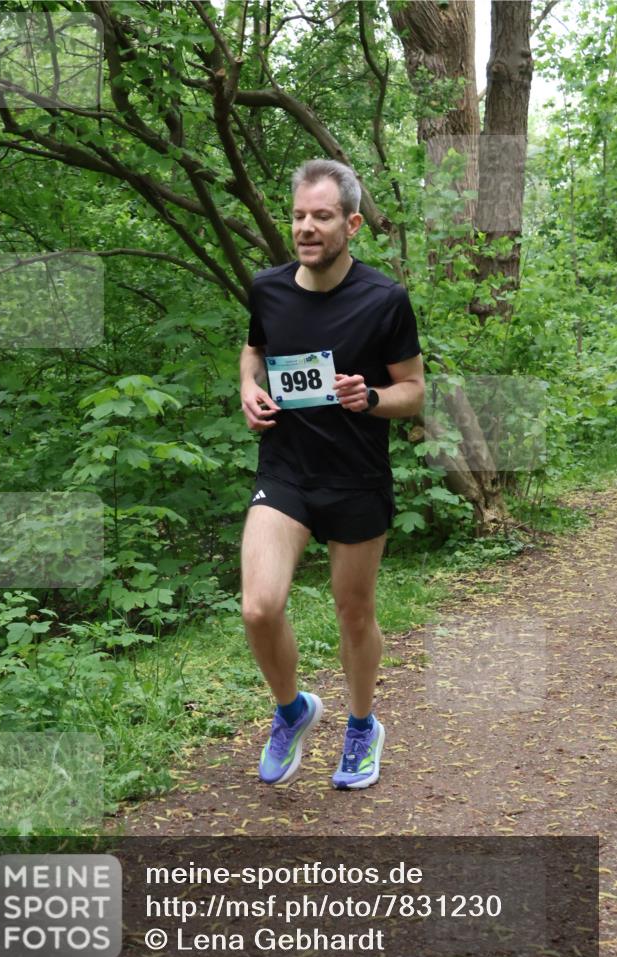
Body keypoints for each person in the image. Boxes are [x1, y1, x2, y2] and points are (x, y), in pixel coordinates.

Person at [239, 159, 425, 790]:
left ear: (351, 224)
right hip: (286, 471)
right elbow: (254, 349)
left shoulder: (384, 299)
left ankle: (362, 725)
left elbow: (414, 391)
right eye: (298, 216)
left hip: (355, 477)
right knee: (260, 607)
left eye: (321, 216)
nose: (306, 228)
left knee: (354, 612)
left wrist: (369, 398)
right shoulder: (268, 289)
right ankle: (292, 710)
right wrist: (247, 387)